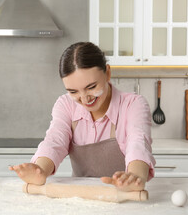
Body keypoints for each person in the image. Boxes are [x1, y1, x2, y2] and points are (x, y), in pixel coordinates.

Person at [9, 42, 155, 192]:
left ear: (108, 73)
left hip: (120, 195)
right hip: (80, 198)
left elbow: (138, 143)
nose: (84, 99)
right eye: (73, 92)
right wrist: (40, 170)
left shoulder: (133, 104)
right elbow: (54, 141)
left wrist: (134, 176)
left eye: (91, 87)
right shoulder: (66, 105)